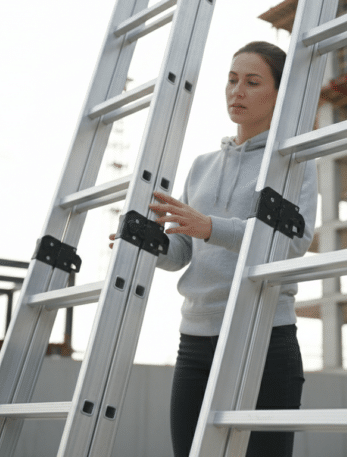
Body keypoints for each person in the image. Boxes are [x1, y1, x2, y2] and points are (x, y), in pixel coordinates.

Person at [115, 41, 318, 457]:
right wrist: (147, 242)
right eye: (231, 80)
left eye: (252, 82)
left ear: (279, 93)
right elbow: (182, 253)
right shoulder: (201, 166)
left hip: (263, 339)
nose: (236, 91)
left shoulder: (294, 163)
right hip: (195, 341)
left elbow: (293, 242)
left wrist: (211, 227)